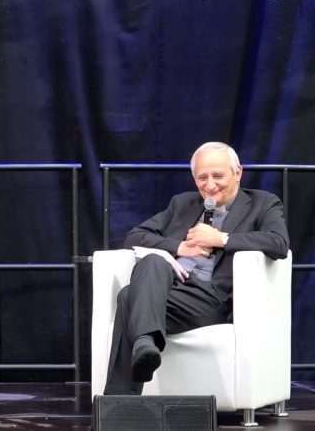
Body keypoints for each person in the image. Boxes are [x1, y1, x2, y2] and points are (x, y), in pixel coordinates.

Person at [103, 142, 289, 395]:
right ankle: (145, 344)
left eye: (218, 176)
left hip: (213, 298)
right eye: (202, 177)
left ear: (238, 173)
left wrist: (221, 239)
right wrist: (180, 247)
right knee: (152, 261)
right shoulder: (182, 203)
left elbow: (278, 243)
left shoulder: (262, 203)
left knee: (128, 297)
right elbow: (135, 236)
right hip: (172, 288)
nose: (210, 185)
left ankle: (121, 400)